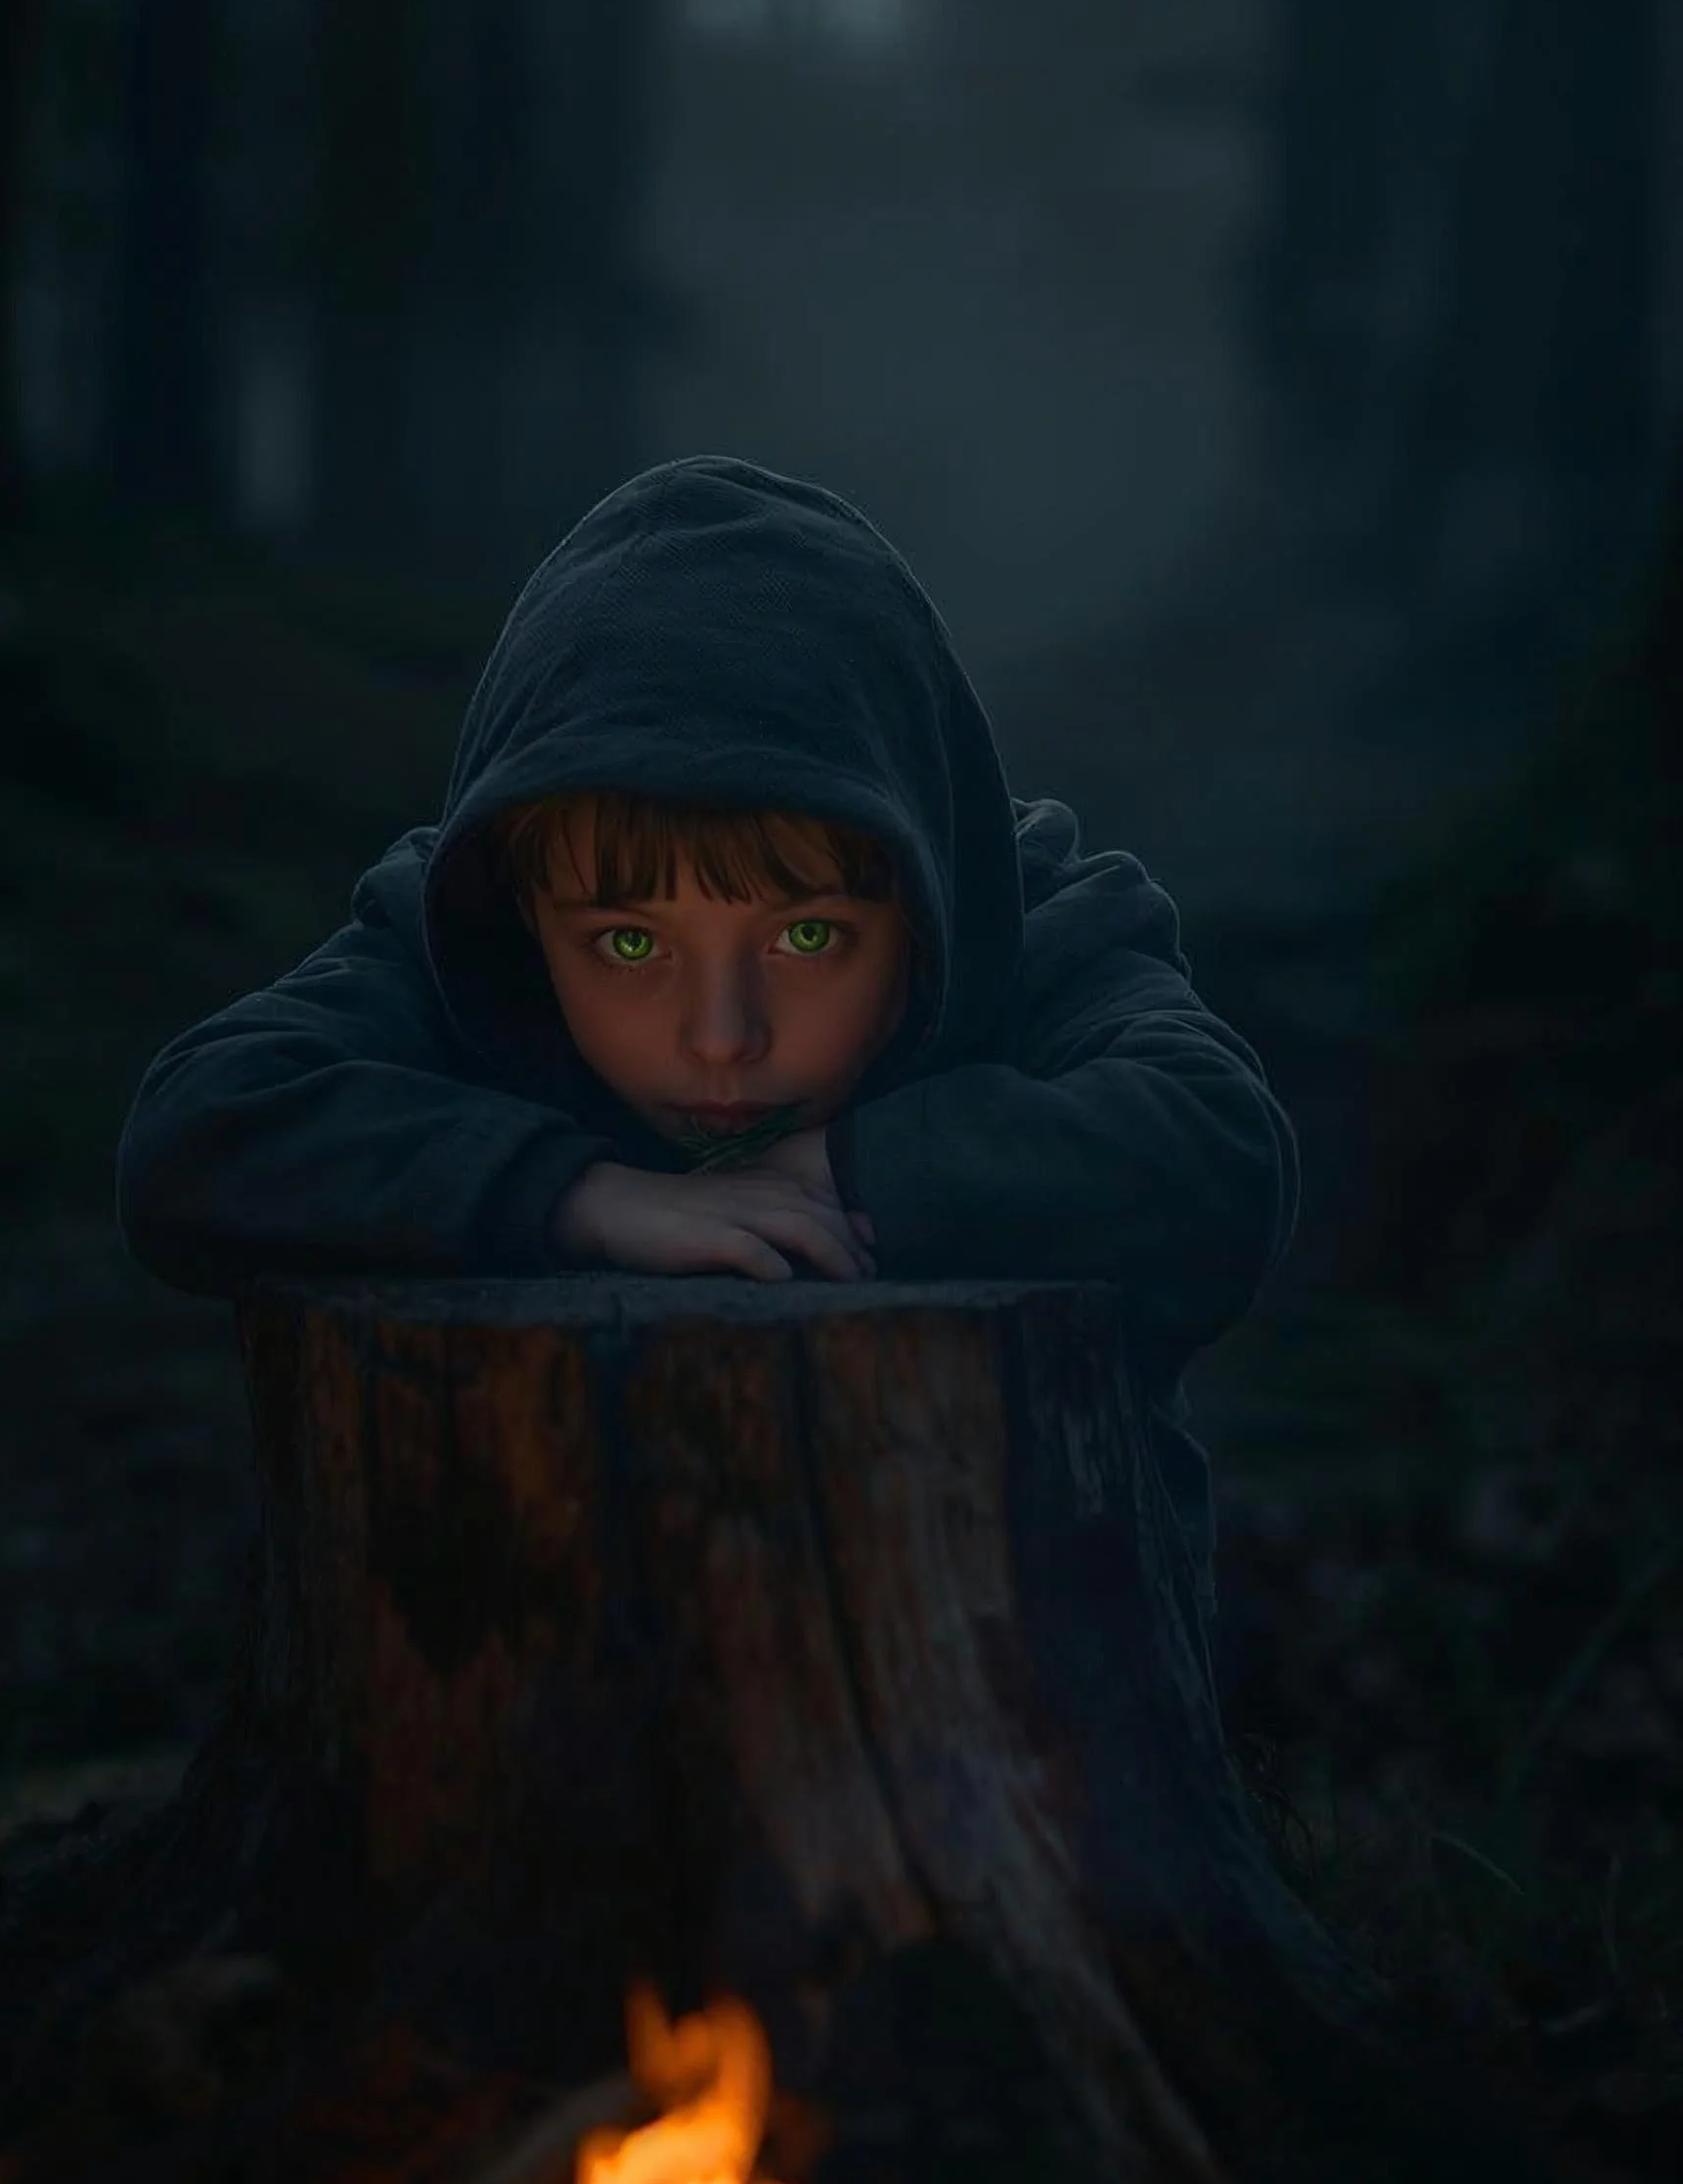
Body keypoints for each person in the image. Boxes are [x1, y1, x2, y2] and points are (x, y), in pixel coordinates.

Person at [117, 456, 1299, 1634]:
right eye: (629, 946)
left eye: (807, 934)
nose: (721, 1037)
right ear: (528, 909)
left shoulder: (1030, 919)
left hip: (1036, 1736)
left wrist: (840, 1165)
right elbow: (197, 1132)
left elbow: (1219, 1148)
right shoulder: (471, 930)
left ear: (920, 879)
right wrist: (575, 1191)